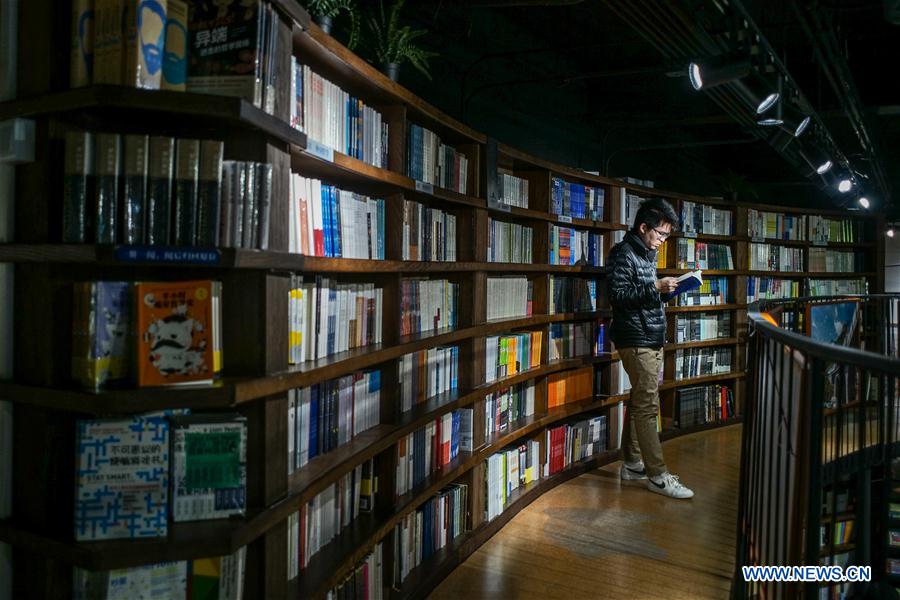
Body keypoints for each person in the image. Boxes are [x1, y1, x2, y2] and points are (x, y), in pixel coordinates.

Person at [607, 197, 694, 499]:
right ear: (643, 227)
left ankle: (632, 463)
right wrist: (655, 287)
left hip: (651, 336)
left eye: (667, 236)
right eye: (660, 234)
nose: (662, 241)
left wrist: (668, 291)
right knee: (647, 406)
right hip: (635, 339)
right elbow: (618, 296)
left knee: (641, 401)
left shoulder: (645, 254)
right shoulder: (623, 253)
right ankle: (657, 475)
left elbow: (643, 297)